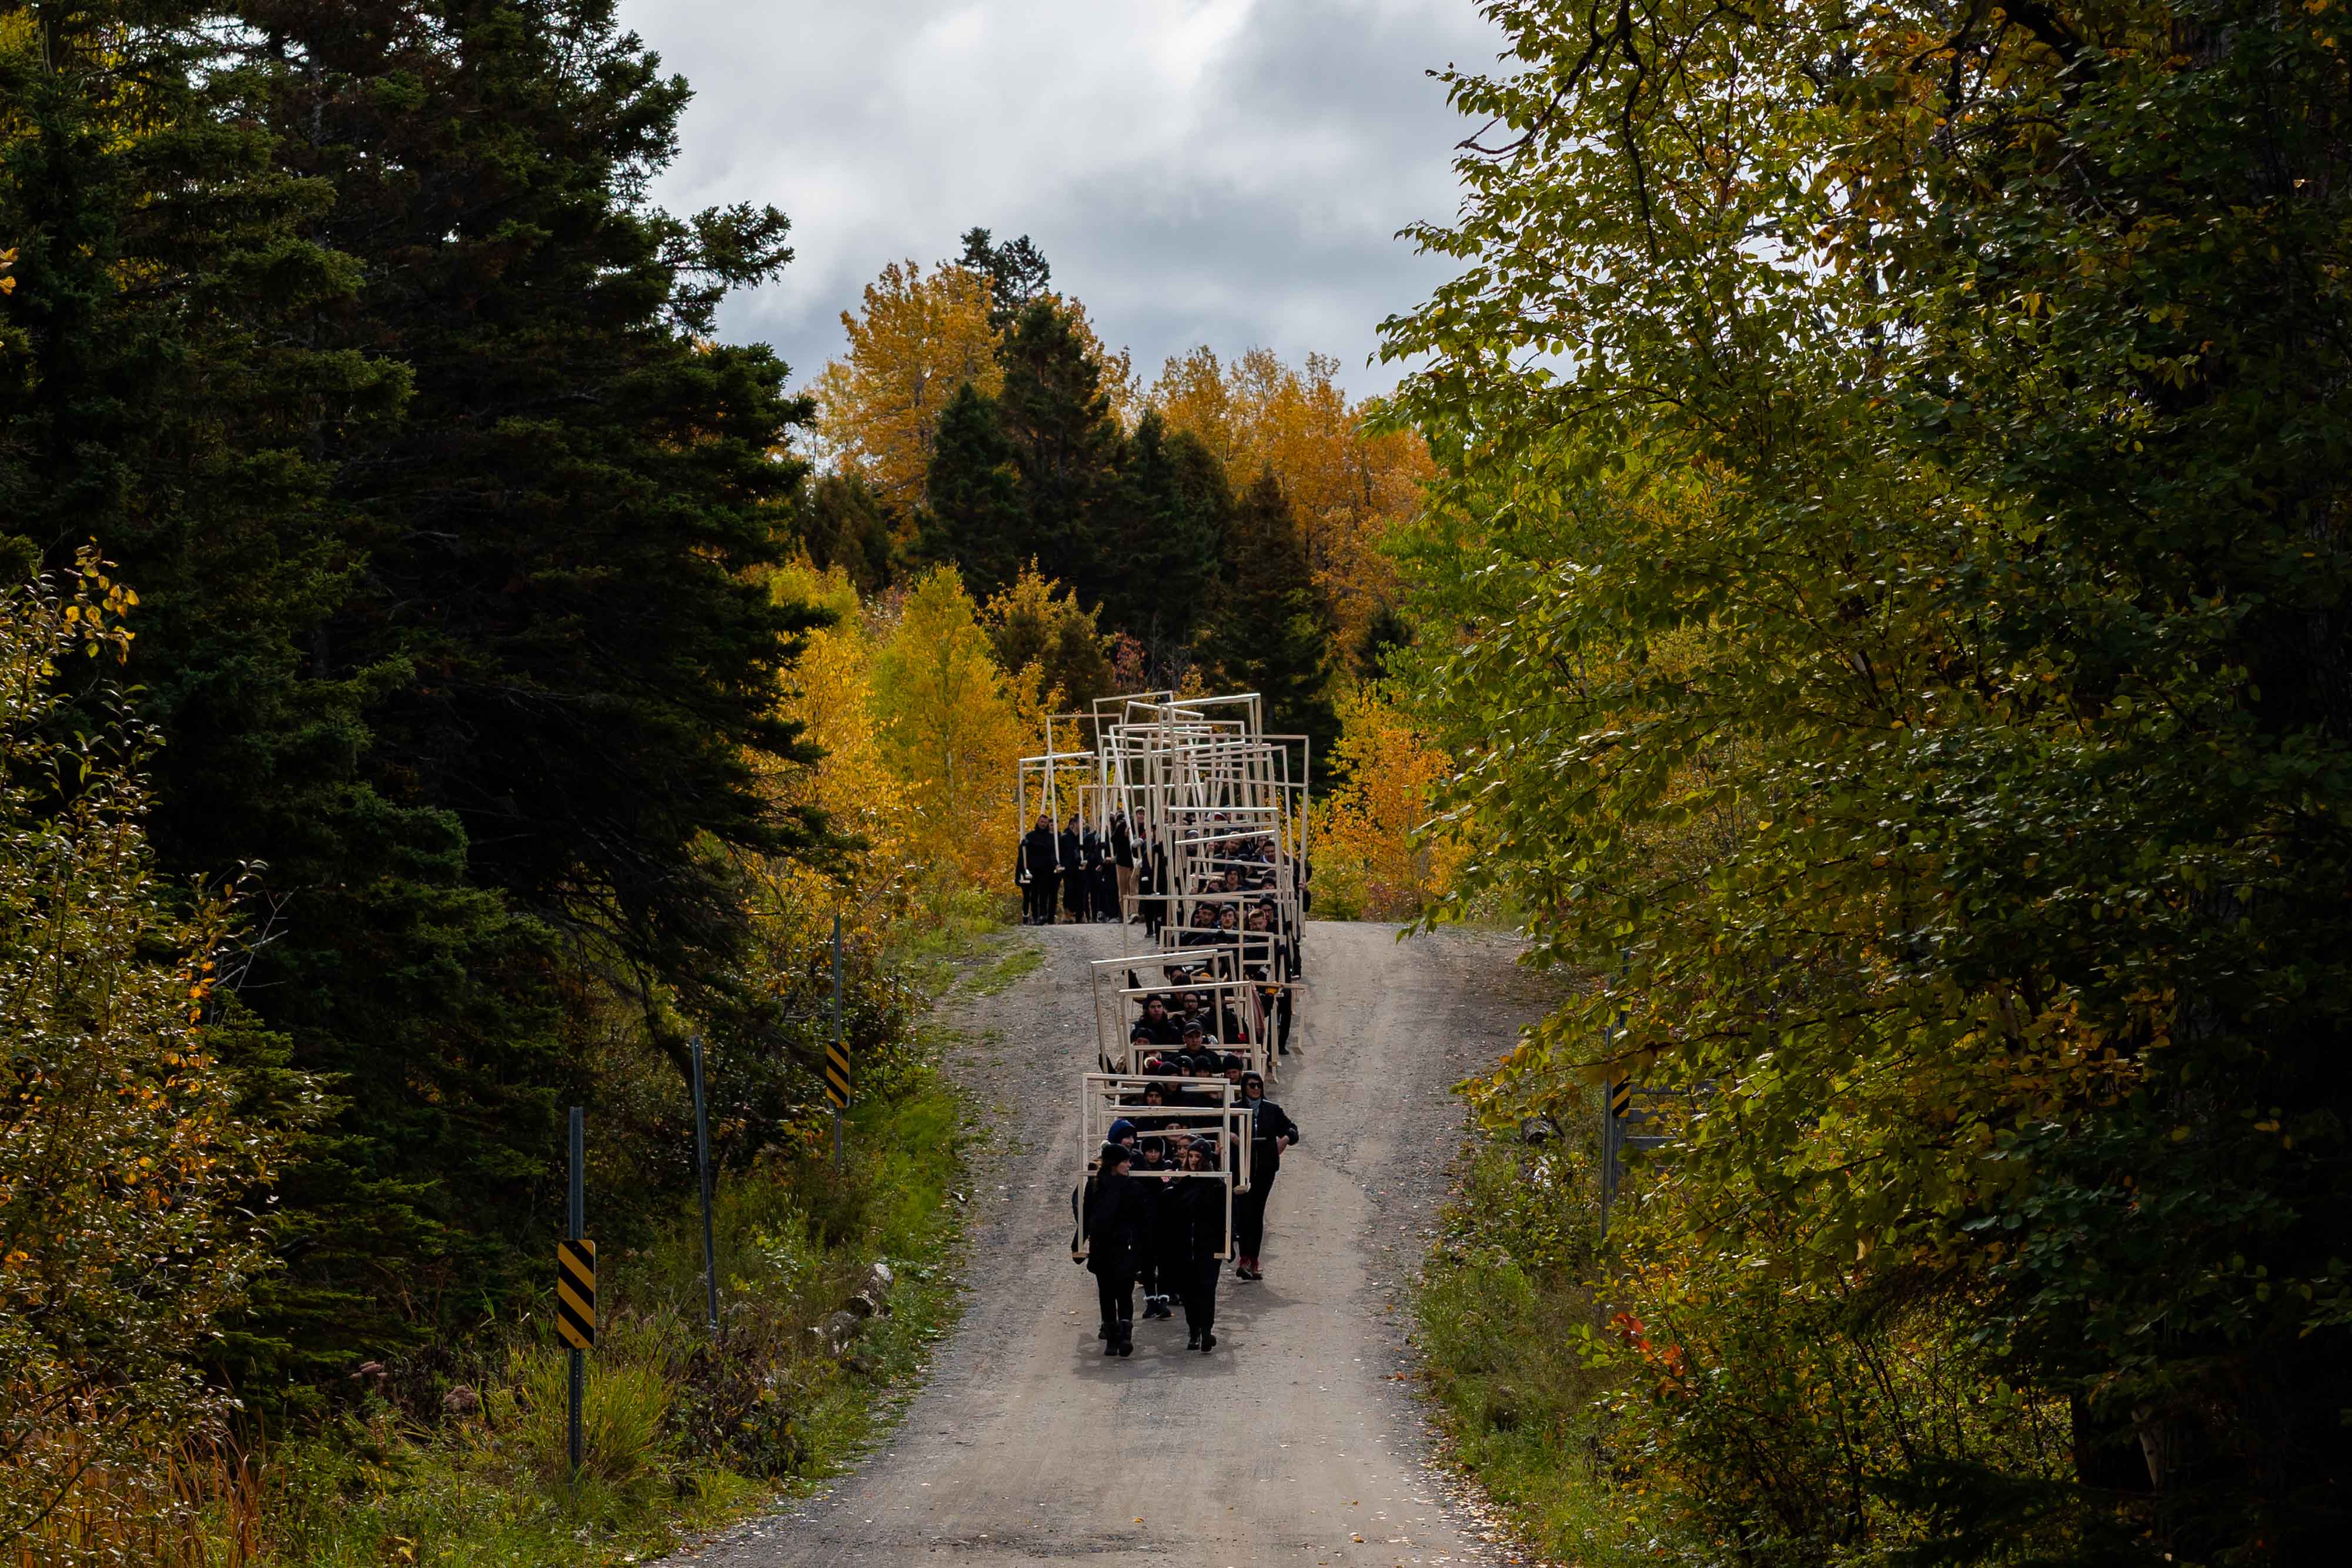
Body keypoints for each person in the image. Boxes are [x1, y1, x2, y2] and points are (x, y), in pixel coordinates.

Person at [1232, 1071, 1299, 1281]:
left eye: (1259, 1085)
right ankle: (1244, 1258)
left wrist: (1285, 1140)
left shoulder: (1272, 1110)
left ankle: (1253, 1259)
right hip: (1242, 1168)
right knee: (1243, 1212)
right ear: (1244, 1087)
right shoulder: (1234, 1109)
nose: (1256, 1089)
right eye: (1252, 1085)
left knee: (1256, 1211)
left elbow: (1292, 1129)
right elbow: (1219, 1128)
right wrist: (1231, 1137)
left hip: (1265, 1168)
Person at [1084, 1141, 1144, 1355]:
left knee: (1107, 1294)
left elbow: (1085, 1216)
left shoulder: (1095, 1185)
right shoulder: (1129, 1187)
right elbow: (1140, 1220)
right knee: (1122, 1294)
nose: (1129, 1165)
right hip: (1121, 1248)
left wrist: (1079, 1244)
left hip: (1103, 1248)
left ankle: (1113, 1339)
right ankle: (1124, 1335)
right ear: (1115, 1164)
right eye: (1125, 1161)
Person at [1170, 1138, 1224, 1352]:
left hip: (1208, 1246)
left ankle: (1206, 1331)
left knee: (1207, 1289)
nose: (1193, 1161)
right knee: (1189, 1292)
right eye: (1190, 1156)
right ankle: (1194, 1331)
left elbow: (1225, 1217)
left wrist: (1224, 1246)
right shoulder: (1181, 1181)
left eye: (1197, 1157)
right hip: (1185, 1246)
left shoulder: (1216, 1184)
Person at [1018, 813, 1059, 925]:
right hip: (1033, 869)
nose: (1044, 824)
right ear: (1038, 822)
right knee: (1034, 894)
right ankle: (1035, 916)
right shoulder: (1030, 836)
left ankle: (1043, 915)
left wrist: (1056, 864)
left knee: (1044, 893)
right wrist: (1023, 845)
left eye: (1046, 823)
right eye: (1042, 822)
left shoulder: (1050, 838)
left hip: (1046, 870)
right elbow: (1023, 853)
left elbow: (1051, 853)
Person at [1111, 808, 1137, 918]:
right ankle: (1125, 914)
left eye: (1143, 815)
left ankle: (1133, 913)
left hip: (1135, 863)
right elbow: (1114, 840)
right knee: (1123, 890)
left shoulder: (1144, 827)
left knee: (1134, 888)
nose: (1141, 817)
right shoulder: (1124, 825)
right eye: (1139, 814)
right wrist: (1124, 835)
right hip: (1123, 863)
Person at [1059, 814, 1085, 923]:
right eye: (1080, 824)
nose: (1082, 826)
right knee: (1069, 890)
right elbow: (1060, 853)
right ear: (1074, 824)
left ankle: (1079, 915)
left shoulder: (1083, 838)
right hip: (1068, 869)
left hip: (1080, 868)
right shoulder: (1065, 838)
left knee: (1080, 892)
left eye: (1084, 824)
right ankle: (1067, 913)